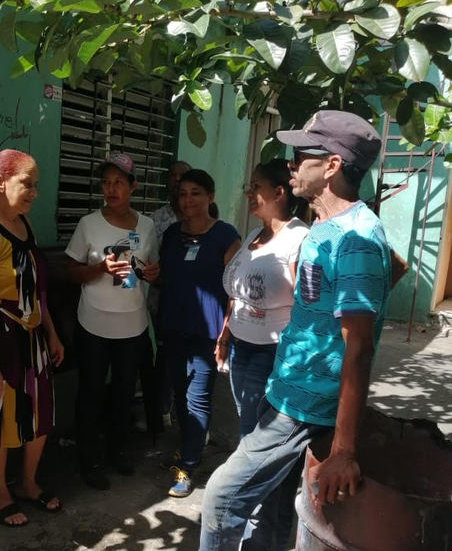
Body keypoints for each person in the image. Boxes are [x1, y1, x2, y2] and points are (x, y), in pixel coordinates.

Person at [199, 110, 392, 551]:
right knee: (275, 505)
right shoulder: (330, 228)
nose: (291, 164)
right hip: (286, 391)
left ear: (332, 165)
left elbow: (358, 346)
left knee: (221, 497)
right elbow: (385, 274)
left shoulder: (356, 238)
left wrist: (343, 449)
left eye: (301, 154)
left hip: (305, 409)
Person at [0, 149, 65, 528]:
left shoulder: (25, 224)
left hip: (32, 336)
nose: (34, 192)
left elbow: (37, 291)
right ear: (0, 183)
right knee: (0, 416)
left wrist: (51, 332)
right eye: (27, 184)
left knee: (40, 412)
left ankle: (27, 483)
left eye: (36, 185)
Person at [65, 151, 160, 491]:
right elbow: (72, 272)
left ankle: (117, 451)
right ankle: (88, 460)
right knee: (90, 392)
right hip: (93, 324)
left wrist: (152, 273)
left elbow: (152, 271)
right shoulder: (89, 224)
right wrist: (99, 269)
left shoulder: (147, 226)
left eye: (118, 182)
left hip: (132, 325)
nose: (111, 189)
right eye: (106, 182)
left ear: (132, 186)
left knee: (122, 392)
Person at [159, 169, 241, 497]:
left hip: (208, 331)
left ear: (210, 196)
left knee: (198, 397)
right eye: (182, 194)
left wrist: (225, 335)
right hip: (173, 326)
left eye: (196, 193)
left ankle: (188, 465)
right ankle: (187, 447)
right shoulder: (171, 236)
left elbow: (236, 291)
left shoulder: (225, 236)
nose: (188, 200)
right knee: (180, 393)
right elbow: (168, 277)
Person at [217, 159, 309, 440]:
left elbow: (306, 303)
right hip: (239, 344)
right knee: (245, 416)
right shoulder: (254, 235)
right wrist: (224, 335)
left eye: (256, 186)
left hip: (270, 349)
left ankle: (249, 482)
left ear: (279, 193)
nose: (248, 192)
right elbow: (237, 291)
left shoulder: (298, 238)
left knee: (253, 425)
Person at [149, 160, 191, 428]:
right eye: (171, 176)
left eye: (182, 177)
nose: (176, 181)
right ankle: (161, 408)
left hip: (192, 299)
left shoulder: (200, 216)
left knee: (189, 355)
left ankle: (183, 408)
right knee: (164, 355)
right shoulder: (156, 219)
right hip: (162, 295)